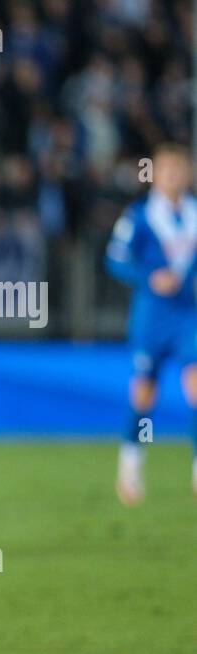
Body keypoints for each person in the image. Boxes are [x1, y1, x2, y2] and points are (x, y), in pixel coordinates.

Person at [105, 142, 197, 505]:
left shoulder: (194, 213)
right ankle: (131, 464)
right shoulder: (140, 215)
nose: (174, 176)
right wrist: (149, 277)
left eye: (180, 169)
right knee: (145, 393)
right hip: (152, 316)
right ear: (154, 174)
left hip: (189, 315)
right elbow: (115, 259)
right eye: (167, 169)